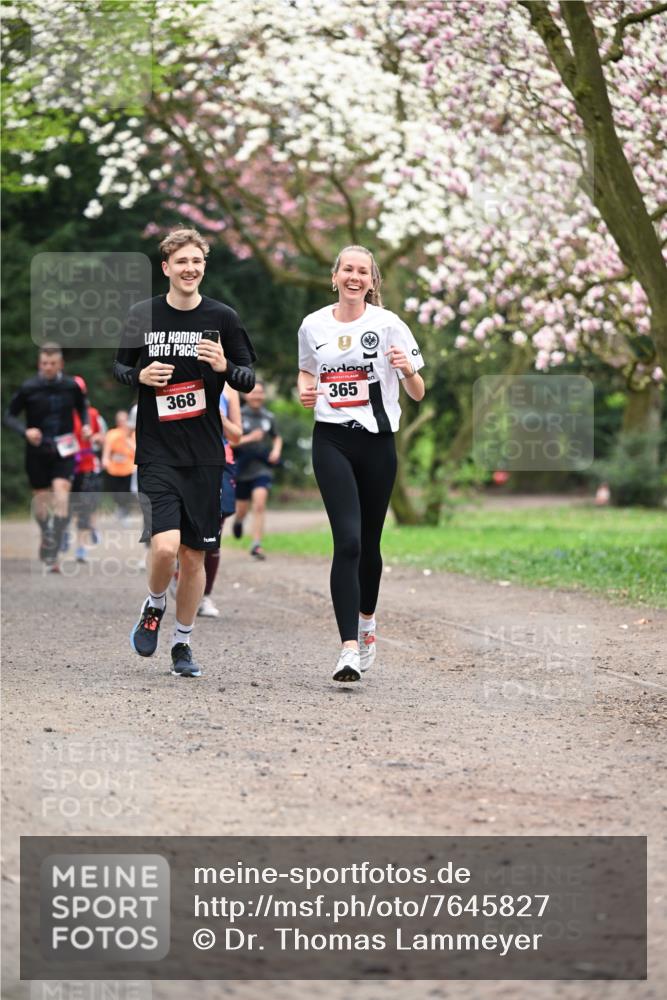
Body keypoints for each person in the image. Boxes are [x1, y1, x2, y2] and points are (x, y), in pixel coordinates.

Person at [113, 226, 256, 678]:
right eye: (181, 262)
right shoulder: (143, 315)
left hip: (206, 454)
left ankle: (182, 643)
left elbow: (248, 378)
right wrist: (139, 376)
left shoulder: (223, 317)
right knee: (164, 548)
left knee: (194, 557)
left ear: (203, 267)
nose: (189, 269)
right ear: (166, 268)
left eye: (196, 261)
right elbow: (119, 367)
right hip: (157, 450)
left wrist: (225, 366)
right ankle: (155, 604)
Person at [297, 245, 425, 682]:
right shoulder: (313, 324)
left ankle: (367, 622)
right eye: (347, 270)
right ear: (334, 276)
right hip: (331, 439)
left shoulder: (388, 325)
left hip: (377, 443)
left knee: (369, 544)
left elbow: (418, 392)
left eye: (363, 272)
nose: (355, 277)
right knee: (347, 542)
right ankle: (348, 648)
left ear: (372, 282)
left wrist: (407, 370)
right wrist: (305, 388)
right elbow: (307, 370)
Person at [3, 344, 89, 571]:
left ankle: (55, 545)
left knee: (62, 494)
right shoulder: (28, 387)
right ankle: (46, 532)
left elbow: (82, 408)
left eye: (52, 363)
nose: (48, 367)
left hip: (65, 449)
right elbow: (8, 416)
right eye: (44, 363)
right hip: (37, 450)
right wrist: (25, 432)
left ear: (61, 364)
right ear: (39, 364)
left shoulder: (71, 386)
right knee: (41, 500)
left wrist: (86, 426)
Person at [198, 384, 243, 616]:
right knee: (183, 528)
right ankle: (179, 572)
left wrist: (221, 418)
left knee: (213, 533)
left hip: (221, 461)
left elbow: (237, 435)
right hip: (186, 459)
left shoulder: (229, 389)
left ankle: (204, 596)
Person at [232, 381, 283, 559]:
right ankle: (238, 521)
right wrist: (250, 438)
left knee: (259, 504)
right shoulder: (238, 414)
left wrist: (276, 451)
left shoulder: (268, 416)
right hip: (242, 468)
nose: (257, 396)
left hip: (262, 468)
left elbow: (276, 437)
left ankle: (256, 544)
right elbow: (229, 442)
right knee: (241, 509)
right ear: (245, 395)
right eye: (254, 392)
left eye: (260, 392)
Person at [69, 375, 104, 563]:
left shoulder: (92, 414)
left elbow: (102, 437)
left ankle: (81, 548)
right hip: (64, 466)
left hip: (87, 465)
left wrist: (94, 437)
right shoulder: (60, 414)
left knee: (84, 507)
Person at [102, 410, 136, 522]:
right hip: (114, 468)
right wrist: (105, 459)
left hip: (129, 468)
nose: (122, 423)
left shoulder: (133, 434)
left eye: (124, 420)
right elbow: (107, 448)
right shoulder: (112, 433)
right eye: (120, 420)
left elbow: (137, 451)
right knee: (115, 492)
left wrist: (128, 441)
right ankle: (120, 509)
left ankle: (125, 511)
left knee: (127, 492)